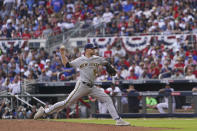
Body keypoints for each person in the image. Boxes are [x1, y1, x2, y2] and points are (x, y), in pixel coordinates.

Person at [34, 43, 130, 126]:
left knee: (107, 99)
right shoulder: (80, 59)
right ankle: (45, 111)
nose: (94, 50)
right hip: (82, 85)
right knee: (66, 103)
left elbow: (106, 63)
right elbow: (67, 65)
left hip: (92, 87)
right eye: (92, 48)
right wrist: (62, 54)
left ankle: (118, 120)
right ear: (87, 50)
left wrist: (109, 67)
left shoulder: (97, 58)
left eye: (94, 48)